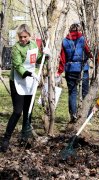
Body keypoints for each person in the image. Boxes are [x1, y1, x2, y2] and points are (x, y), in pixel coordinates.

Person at [0, 24, 50, 152]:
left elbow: (37, 59)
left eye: (25, 37)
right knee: (17, 111)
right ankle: (5, 140)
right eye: (21, 37)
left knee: (28, 112)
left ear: (29, 35)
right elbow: (17, 65)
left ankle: (24, 138)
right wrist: (29, 73)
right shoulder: (16, 48)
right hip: (17, 81)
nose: (23, 39)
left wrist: (45, 55)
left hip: (30, 82)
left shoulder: (33, 45)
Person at [56, 20, 92, 123]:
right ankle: (87, 116)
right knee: (85, 92)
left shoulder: (65, 41)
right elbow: (89, 52)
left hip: (70, 69)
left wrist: (59, 71)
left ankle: (73, 115)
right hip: (82, 68)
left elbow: (62, 59)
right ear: (79, 30)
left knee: (72, 92)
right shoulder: (82, 39)